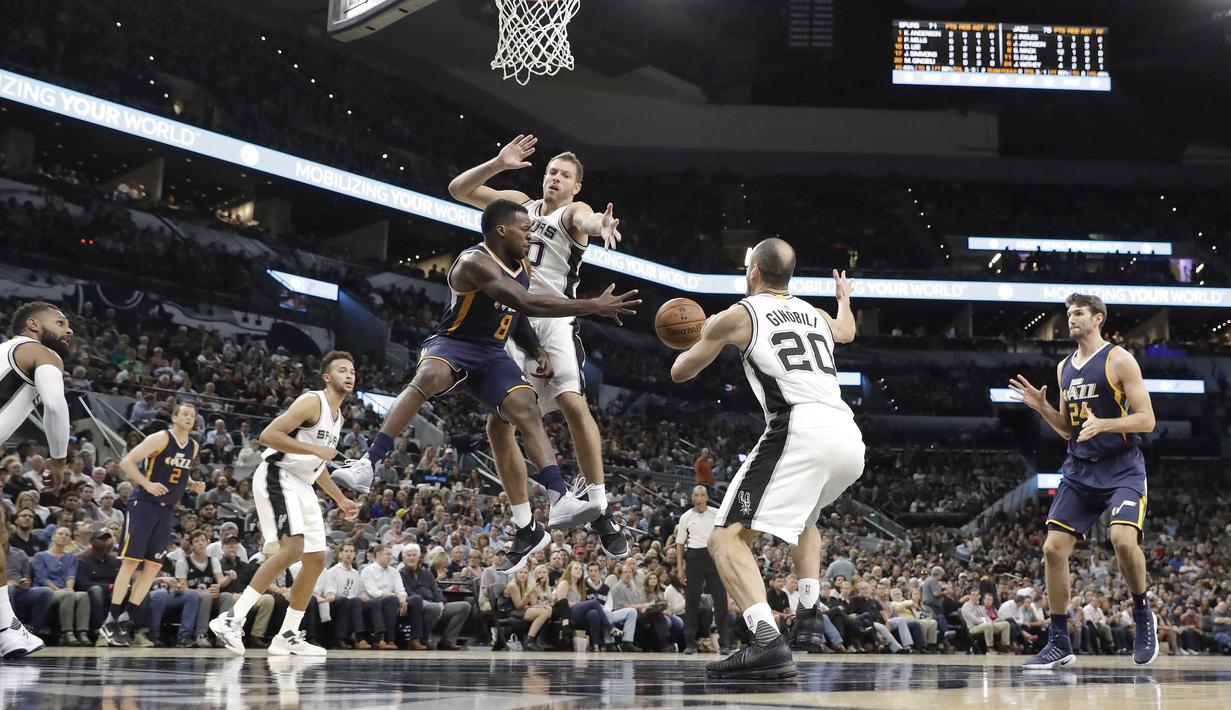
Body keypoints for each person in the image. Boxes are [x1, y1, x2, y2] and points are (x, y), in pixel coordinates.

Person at [331, 200, 637, 575]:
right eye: (525, 228)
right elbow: (522, 300)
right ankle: (368, 463)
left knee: (525, 408)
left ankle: (559, 498)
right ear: (502, 230)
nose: (531, 234)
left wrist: (535, 347)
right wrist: (592, 305)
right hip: (455, 344)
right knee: (427, 378)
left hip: (492, 354)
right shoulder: (474, 261)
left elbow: (515, 313)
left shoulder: (521, 262)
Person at [671, 240, 863, 679]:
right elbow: (847, 332)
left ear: (754, 270)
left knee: (724, 539)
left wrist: (690, 337)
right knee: (804, 521)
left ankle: (765, 641)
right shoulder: (815, 313)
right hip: (848, 436)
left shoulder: (739, 314)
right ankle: (810, 615)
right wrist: (844, 300)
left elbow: (680, 372)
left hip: (798, 428)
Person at [449, 136, 630, 559]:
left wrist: (599, 227)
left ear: (576, 187)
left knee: (572, 402)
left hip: (555, 320)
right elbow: (459, 189)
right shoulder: (517, 207)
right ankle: (525, 526)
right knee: (498, 426)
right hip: (513, 324)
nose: (555, 178)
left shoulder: (574, 212)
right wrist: (497, 162)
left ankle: (600, 509)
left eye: (565, 175)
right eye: (551, 171)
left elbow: (584, 222)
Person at [1009, 293, 1158, 669]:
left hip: (1122, 466)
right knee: (1052, 550)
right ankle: (1059, 642)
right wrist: (1042, 407)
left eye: (1078, 313)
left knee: (1123, 541)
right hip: (1080, 469)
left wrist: (1105, 424)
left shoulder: (1119, 359)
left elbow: (1147, 420)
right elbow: (1067, 430)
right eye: (1068, 314)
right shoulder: (1064, 368)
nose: (1071, 319)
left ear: (1098, 319)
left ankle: (1142, 612)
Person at [208, 352, 360, 657]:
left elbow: (317, 464)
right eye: (342, 370)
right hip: (278, 475)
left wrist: (340, 498)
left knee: (316, 560)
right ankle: (231, 619)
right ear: (327, 377)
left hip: (303, 483)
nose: (350, 375)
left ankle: (287, 634)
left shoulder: (338, 417)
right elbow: (268, 435)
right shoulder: (311, 402)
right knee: (292, 549)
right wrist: (313, 447)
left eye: (353, 371)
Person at [0, 301, 73, 659]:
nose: (68, 330)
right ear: (33, 325)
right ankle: (6, 631)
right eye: (60, 322)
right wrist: (58, 460)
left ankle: (7, 631)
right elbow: (56, 406)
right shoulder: (41, 352)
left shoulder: (4, 352)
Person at [100, 401, 204, 647]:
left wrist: (192, 485)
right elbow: (126, 463)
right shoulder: (161, 438)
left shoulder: (193, 445)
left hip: (166, 509)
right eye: (185, 414)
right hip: (144, 504)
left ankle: (126, 619)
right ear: (175, 418)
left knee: (153, 568)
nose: (190, 418)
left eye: (193, 415)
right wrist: (146, 485)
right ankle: (111, 619)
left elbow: (178, 472)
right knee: (131, 563)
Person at [674, 485, 730, 654]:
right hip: (693, 558)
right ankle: (690, 644)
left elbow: (724, 537)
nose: (699, 498)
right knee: (691, 602)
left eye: (702, 495)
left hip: (713, 557)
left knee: (720, 601)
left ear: (706, 497)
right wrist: (680, 568)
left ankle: (725, 644)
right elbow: (680, 543)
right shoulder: (685, 517)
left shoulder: (716, 513)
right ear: (692, 498)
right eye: (696, 495)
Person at [400, 544, 471, 650]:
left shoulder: (426, 572)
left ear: (419, 557)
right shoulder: (401, 573)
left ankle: (447, 640)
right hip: (416, 606)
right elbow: (407, 593)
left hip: (434, 604)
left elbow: (436, 590)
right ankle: (423, 639)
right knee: (433, 608)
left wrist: (441, 603)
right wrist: (433, 605)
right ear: (403, 558)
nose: (411, 557)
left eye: (414, 555)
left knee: (465, 606)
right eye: (408, 555)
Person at [31, 526, 91, 646]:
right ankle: (67, 633)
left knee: (83, 595)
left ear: (70, 540)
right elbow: (42, 578)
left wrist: (69, 588)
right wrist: (60, 590)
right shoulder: (40, 556)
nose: (63, 536)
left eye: (67, 535)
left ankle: (82, 633)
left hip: (66, 590)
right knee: (68, 594)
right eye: (60, 533)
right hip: (47, 591)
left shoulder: (71, 557)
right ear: (53, 537)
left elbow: (71, 575)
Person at [75, 530, 120, 645]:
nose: (105, 542)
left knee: (128, 591)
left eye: (106, 539)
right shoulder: (83, 561)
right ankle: (100, 632)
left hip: (113, 593)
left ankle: (126, 631)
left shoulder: (115, 562)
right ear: (92, 542)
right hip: (92, 594)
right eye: (101, 539)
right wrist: (109, 586)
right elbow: (83, 584)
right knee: (96, 590)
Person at [503, 566, 552, 651]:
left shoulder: (522, 583)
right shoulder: (513, 585)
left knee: (545, 611)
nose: (523, 575)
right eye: (520, 572)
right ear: (515, 573)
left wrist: (534, 606)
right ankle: (529, 640)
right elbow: (518, 606)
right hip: (509, 611)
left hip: (519, 609)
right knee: (544, 613)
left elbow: (523, 604)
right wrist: (530, 593)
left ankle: (536, 640)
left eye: (525, 573)